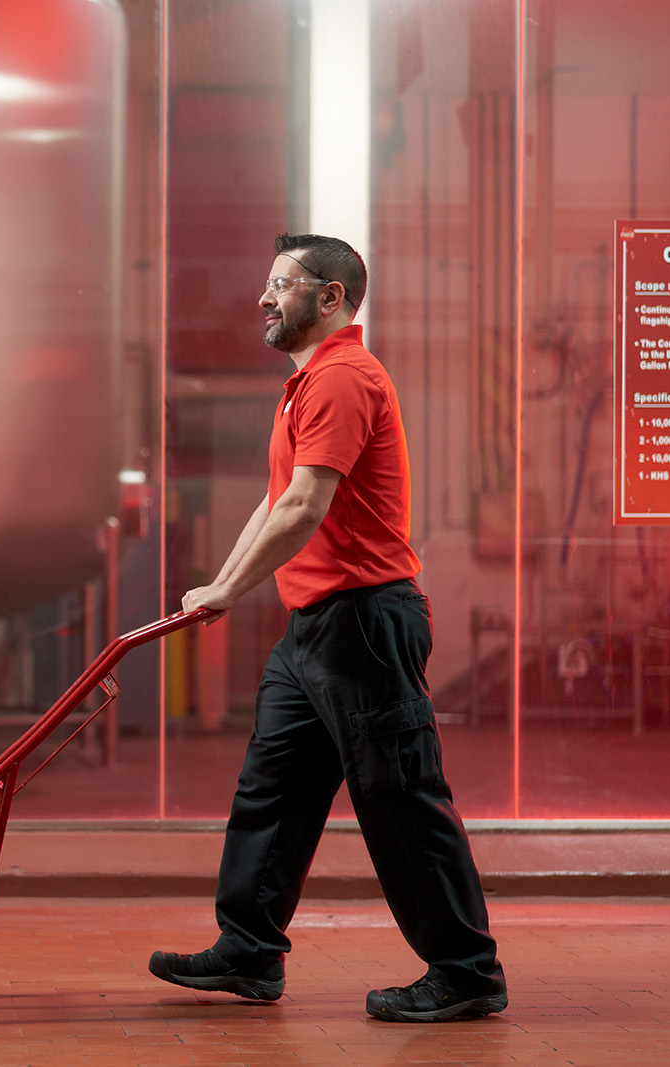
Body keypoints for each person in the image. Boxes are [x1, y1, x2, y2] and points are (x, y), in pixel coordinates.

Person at [148, 234, 506, 1023]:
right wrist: (220, 588)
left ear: (332, 298)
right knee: (271, 787)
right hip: (314, 628)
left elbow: (306, 507)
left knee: (399, 795)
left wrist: (229, 590)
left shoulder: (344, 377)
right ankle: (248, 949)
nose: (264, 297)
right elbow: (276, 502)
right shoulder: (305, 383)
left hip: (365, 624)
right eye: (266, 283)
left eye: (282, 284)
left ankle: (467, 969)